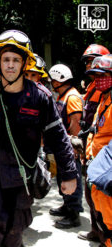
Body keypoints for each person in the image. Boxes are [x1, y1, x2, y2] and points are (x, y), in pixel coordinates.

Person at [0, 29, 78, 247]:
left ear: (25, 63)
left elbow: (58, 137)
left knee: (14, 229)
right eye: (6, 59)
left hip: (22, 176)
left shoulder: (40, 97)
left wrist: (69, 174)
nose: (10, 65)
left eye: (15, 60)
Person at [48, 64, 84, 228]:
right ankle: (66, 205)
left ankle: (74, 214)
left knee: (72, 177)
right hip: (61, 146)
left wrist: (72, 146)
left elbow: (76, 124)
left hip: (70, 146)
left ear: (58, 80)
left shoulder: (72, 97)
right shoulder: (62, 95)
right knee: (63, 177)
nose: (51, 83)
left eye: (52, 81)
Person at [84, 54, 112, 246]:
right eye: (94, 76)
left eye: (102, 75)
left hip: (107, 169)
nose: (98, 80)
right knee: (99, 210)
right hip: (96, 165)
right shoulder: (104, 99)